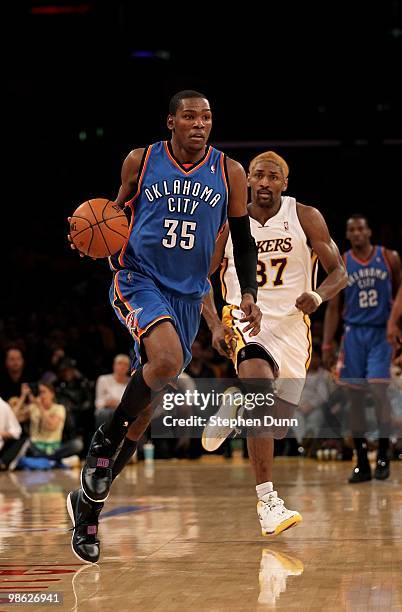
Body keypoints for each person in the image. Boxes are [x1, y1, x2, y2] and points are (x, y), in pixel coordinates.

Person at [66, 90, 262, 563]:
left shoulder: (229, 172)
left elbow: (240, 236)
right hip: (138, 277)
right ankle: (100, 445)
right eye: (190, 116)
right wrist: (91, 237)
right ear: (171, 122)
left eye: (207, 117)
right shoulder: (142, 159)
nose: (200, 124)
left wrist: (248, 292)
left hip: (188, 293)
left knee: (145, 415)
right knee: (170, 361)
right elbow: (111, 216)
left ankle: (87, 509)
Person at [201, 150, 347, 536]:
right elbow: (202, 279)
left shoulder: (304, 216)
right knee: (260, 387)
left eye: (273, 177)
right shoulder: (229, 224)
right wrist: (216, 323)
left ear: (285, 183)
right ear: (247, 179)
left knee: (274, 426)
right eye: (258, 175)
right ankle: (268, 501)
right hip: (246, 318)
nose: (265, 182)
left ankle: (237, 401)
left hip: (293, 327)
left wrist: (317, 296)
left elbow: (339, 273)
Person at [323, 214, 401, 482]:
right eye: (351, 230)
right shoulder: (343, 262)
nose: (356, 233)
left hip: (380, 334)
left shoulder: (389, 257)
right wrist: (326, 343)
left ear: (369, 232)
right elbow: (334, 306)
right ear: (347, 235)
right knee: (353, 399)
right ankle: (360, 461)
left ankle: (382, 453)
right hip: (353, 334)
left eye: (360, 229)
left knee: (379, 392)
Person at [94, 354, 130, 429]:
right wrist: (107, 402)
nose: (122, 367)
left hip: (125, 412)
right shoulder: (103, 379)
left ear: (128, 368)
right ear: (114, 365)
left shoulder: (131, 382)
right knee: (104, 414)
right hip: (107, 410)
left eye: (125, 364)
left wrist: (118, 404)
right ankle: (103, 439)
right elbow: (98, 402)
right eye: (120, 363)